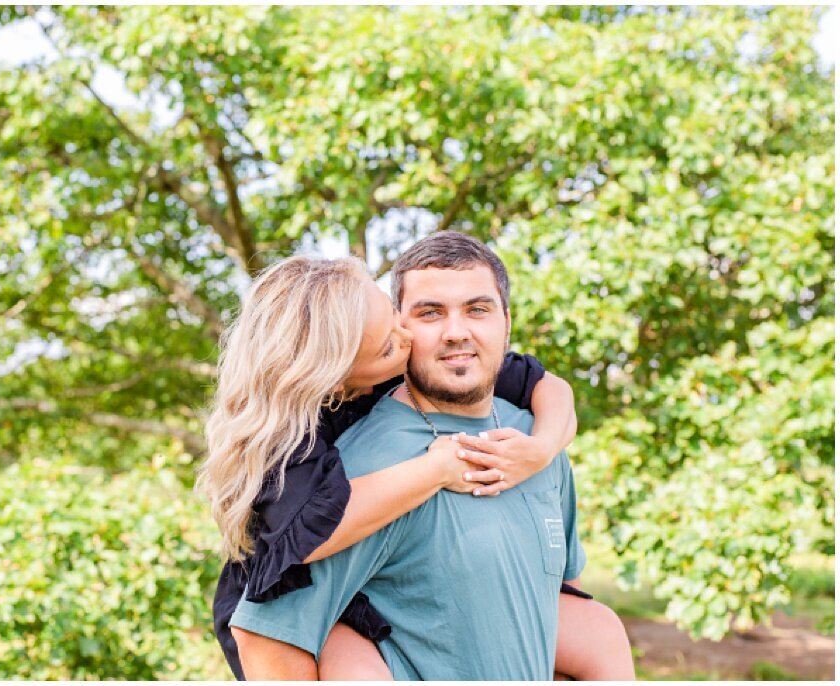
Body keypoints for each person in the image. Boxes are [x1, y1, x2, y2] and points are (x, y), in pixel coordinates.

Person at [201, 236, 633, 679]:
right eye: (426, 315)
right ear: (339, 374)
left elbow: (554, 595)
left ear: (506, 321)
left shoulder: (529, 436)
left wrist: (543, 449)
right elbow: (266, 627)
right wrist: (437, 467)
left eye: (478, 310)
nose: (452, 333)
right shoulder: (327, 462)